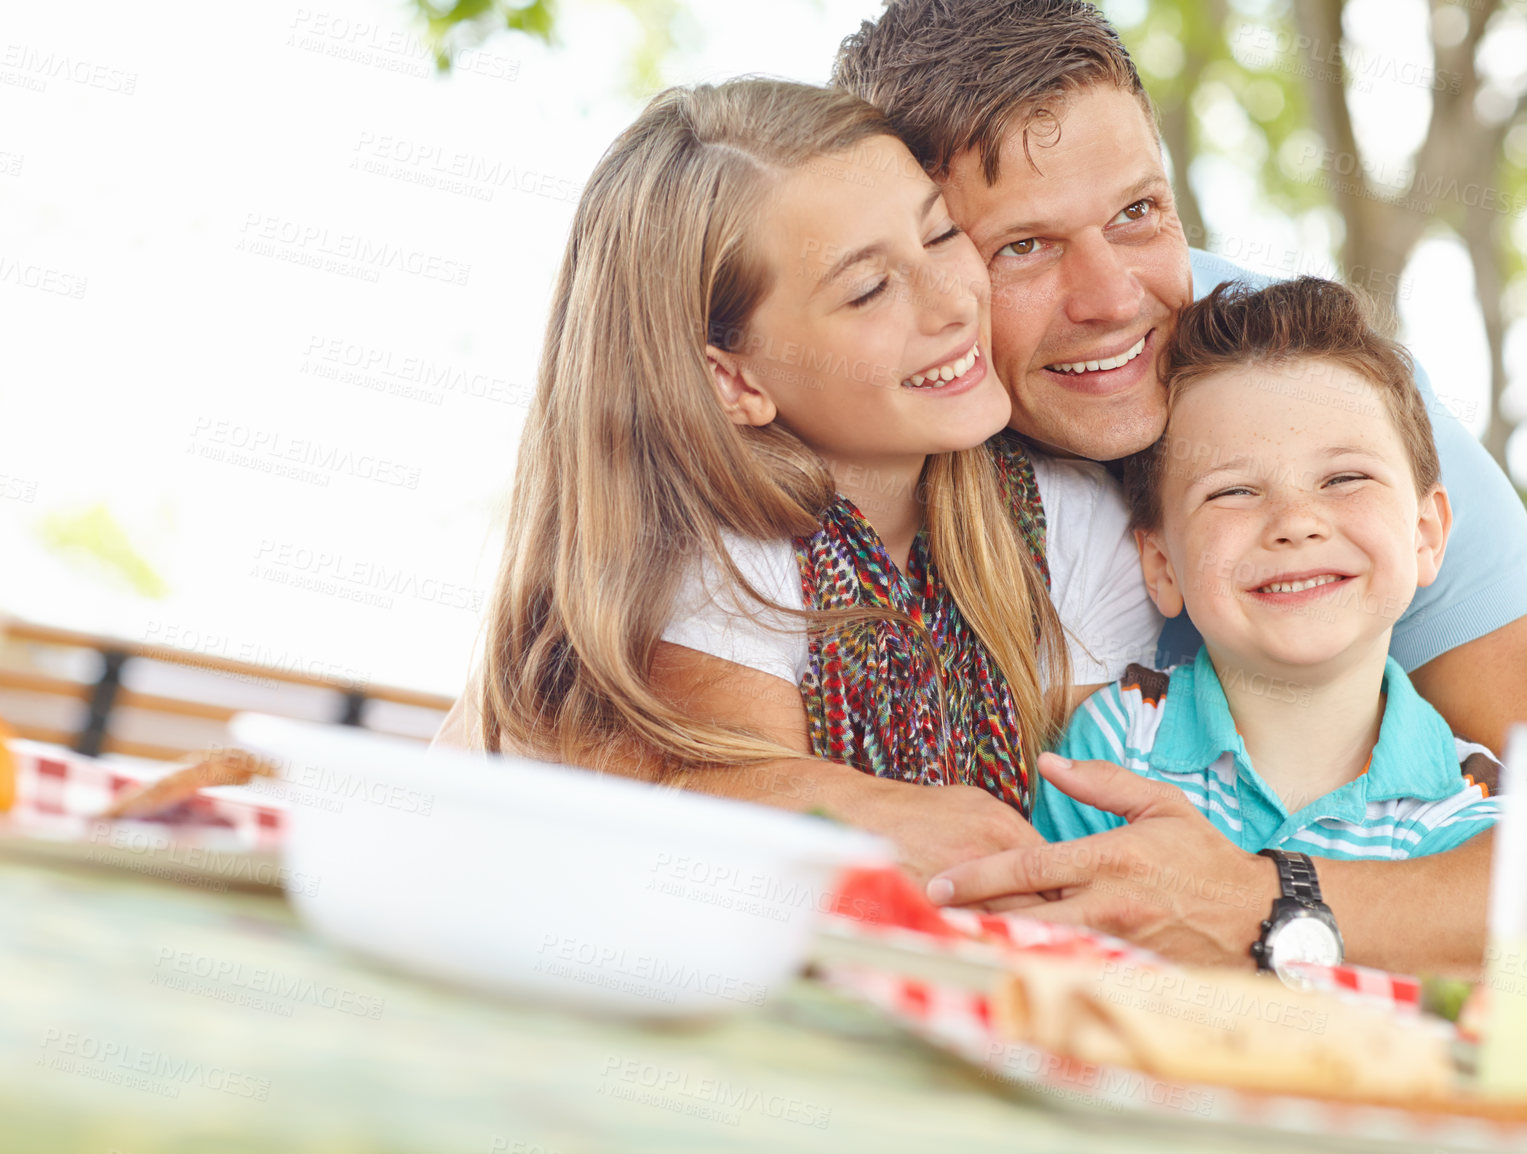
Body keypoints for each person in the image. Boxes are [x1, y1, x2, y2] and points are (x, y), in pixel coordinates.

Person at [653, 0, 1527, 974]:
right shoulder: (841, 415)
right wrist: (842, 802)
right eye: (1020, 247)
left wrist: (1269, 899)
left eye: (1138, 211)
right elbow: (619, 735)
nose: (1112, 298)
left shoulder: (1331, 420)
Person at [470, 79, 1162, 828]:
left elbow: (1086, 826)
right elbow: (757, 863)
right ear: (733, 379)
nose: (954, 301)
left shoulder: (1076, 524)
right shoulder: (719, 563)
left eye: (938, 235)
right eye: (868, 289)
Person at [1035, 276, 1501, 879]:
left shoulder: (1477, 815)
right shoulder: (1112, 749)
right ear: (1162, 567)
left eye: (1344, 479)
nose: (1296, 522)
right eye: (1233, 491)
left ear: (1426, 534)